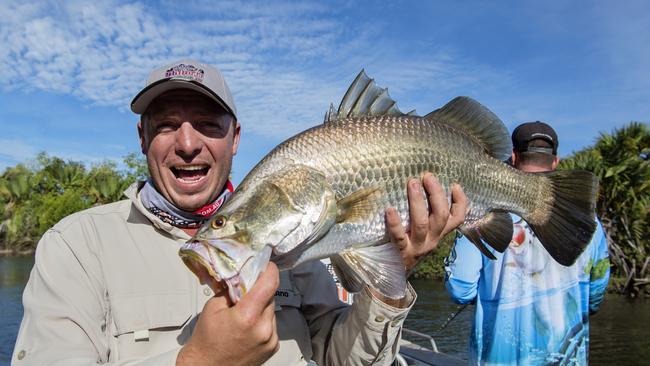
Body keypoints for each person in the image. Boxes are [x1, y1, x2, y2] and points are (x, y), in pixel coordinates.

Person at [12, 59, 468, 366]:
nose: (188, 143)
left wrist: (390, 283)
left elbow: (342, 358)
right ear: (142, 139)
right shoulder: (76, 248)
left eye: (209, 126)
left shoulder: (296, 242)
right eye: (167, 124)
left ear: (235, 139)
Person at [444, 121, 610, 365]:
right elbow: (596, 291)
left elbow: (461, 288)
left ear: (513, 157)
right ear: (556, 162)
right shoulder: (589, 222)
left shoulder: (481, 210)